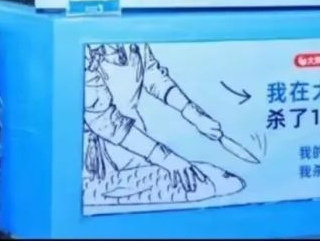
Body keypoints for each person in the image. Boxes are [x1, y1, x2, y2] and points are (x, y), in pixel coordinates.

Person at [83, 43, 224, 193]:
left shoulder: (133, 40)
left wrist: (191, 112)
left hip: (137, 141)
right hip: (99, 151)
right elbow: (102, 119)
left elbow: (154, 76)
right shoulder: (85, 54)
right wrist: (164, 158)